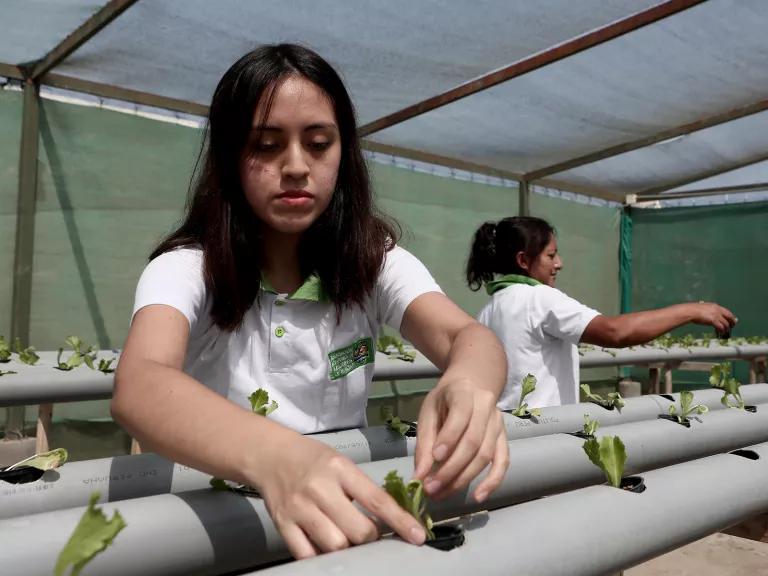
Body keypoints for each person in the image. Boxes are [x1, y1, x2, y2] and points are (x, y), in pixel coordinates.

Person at [112, 44, 508, 559]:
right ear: (230, 157)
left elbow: (464, 336)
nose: (296, 166)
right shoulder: (189, 266)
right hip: (213, 539)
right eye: (267, 145)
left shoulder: (373, 261)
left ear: (344, 153)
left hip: (339, 531)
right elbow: (141, 383)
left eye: (318, 143)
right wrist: (275, 455)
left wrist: (469, 382)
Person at [466, 216, 737, 410]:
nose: (559, 264)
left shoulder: (489, 310)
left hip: (506, 431)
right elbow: (614, 332)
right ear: (524, 260)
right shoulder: (539, 298)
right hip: (543, 433)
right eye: (551, 256)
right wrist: (692, 310)